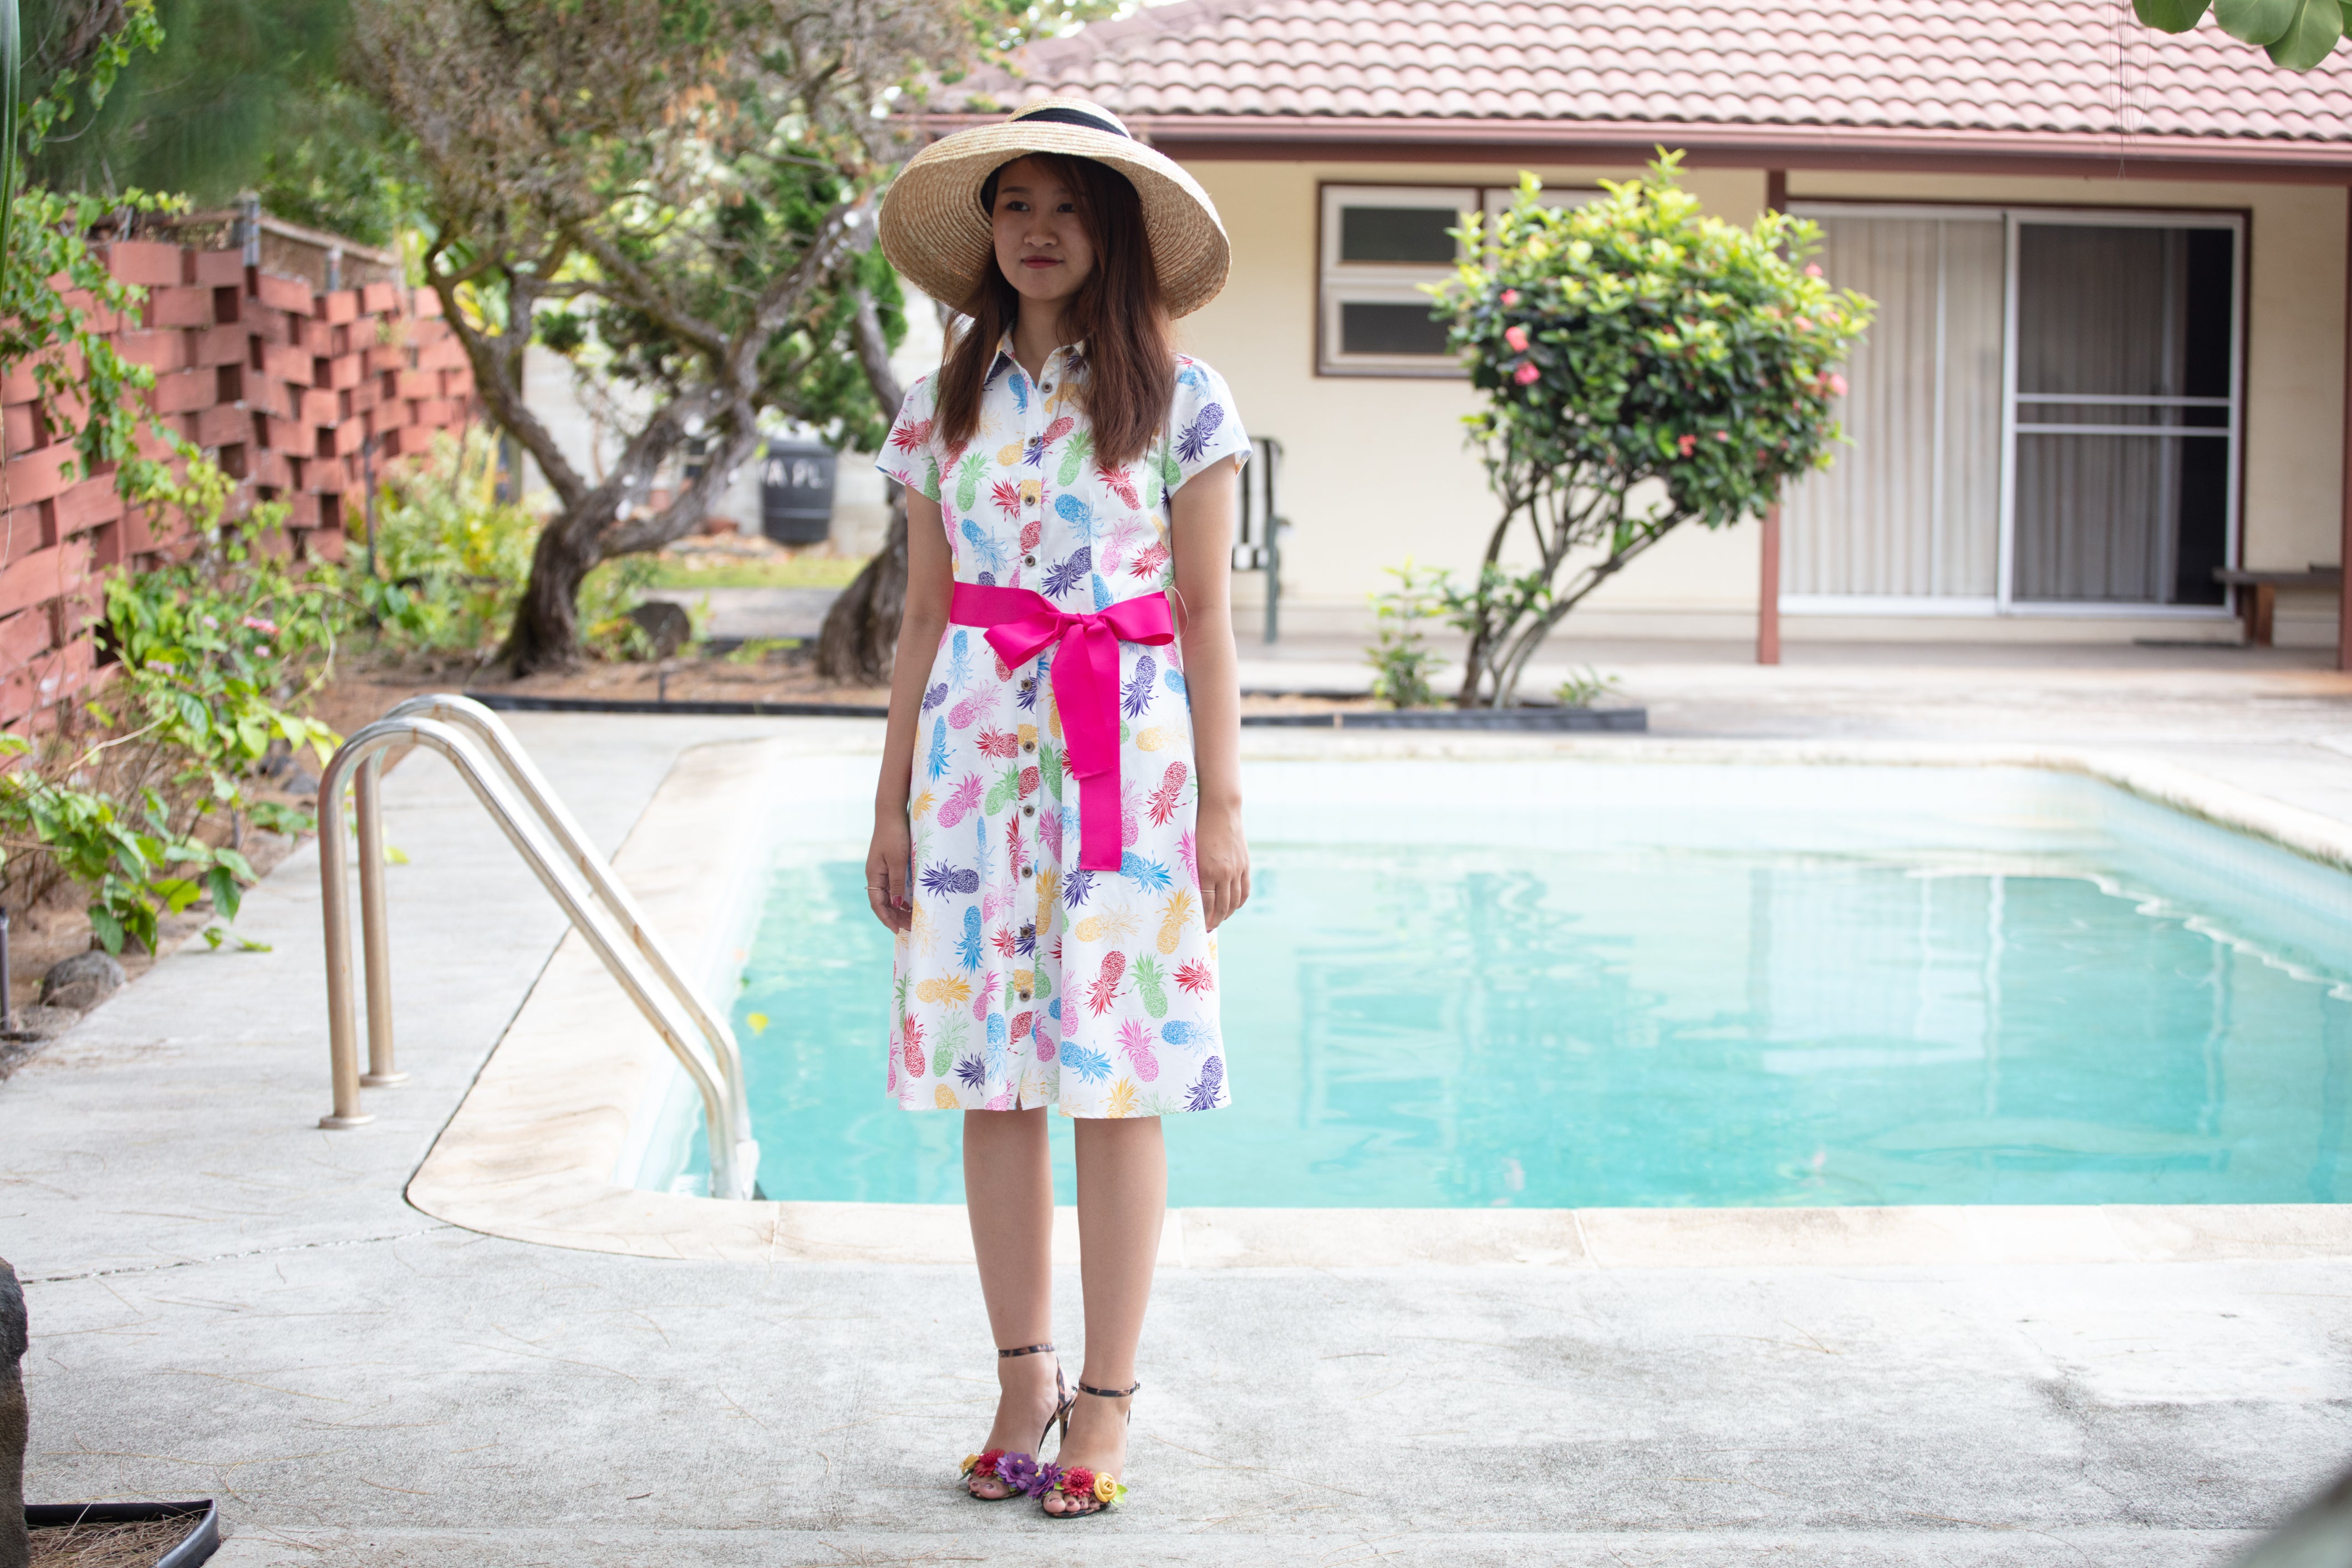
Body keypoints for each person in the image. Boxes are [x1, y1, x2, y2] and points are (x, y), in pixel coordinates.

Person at [865, 97, 1251, 1518]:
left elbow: (1204, 615)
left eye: (1070, 207)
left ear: (1117, 236)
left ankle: (1108, 1396)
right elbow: (920, 618)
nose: (1038, 229)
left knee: (1117, 1073)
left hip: (1124, 759)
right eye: (1016, 203)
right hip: (973, 767)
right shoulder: (939, 405)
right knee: (992, 1075)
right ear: (988, 231)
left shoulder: (1186, 400)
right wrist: (891, 804)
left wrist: (1222, 808)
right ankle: (1022, 1376)